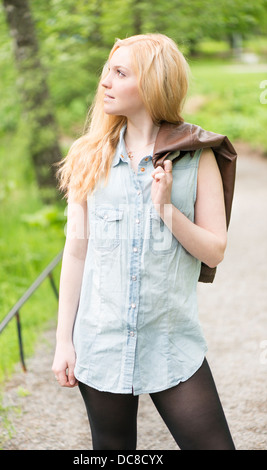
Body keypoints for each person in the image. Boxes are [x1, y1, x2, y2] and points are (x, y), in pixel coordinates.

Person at [52, 33, 236, 450]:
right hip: (101, 343)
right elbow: (76, 252)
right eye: (107, 72)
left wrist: (167, 209)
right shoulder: (89, 156)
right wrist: (64, 342)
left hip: (172, 343)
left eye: (119, 73)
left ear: (153, 85)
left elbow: (215, 250)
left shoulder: (197, 156)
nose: (105, 82)